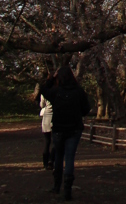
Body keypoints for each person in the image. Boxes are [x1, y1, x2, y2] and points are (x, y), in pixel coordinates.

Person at [39, 65, 90, 201]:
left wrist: (51, 79)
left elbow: (43, 90)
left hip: (59, 129)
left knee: (59, 156)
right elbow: (86, 109)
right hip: (74, 129)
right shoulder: (78, 91)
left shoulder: (56, 92)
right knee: (69, 158)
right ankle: (67, 189)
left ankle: (57, 186)